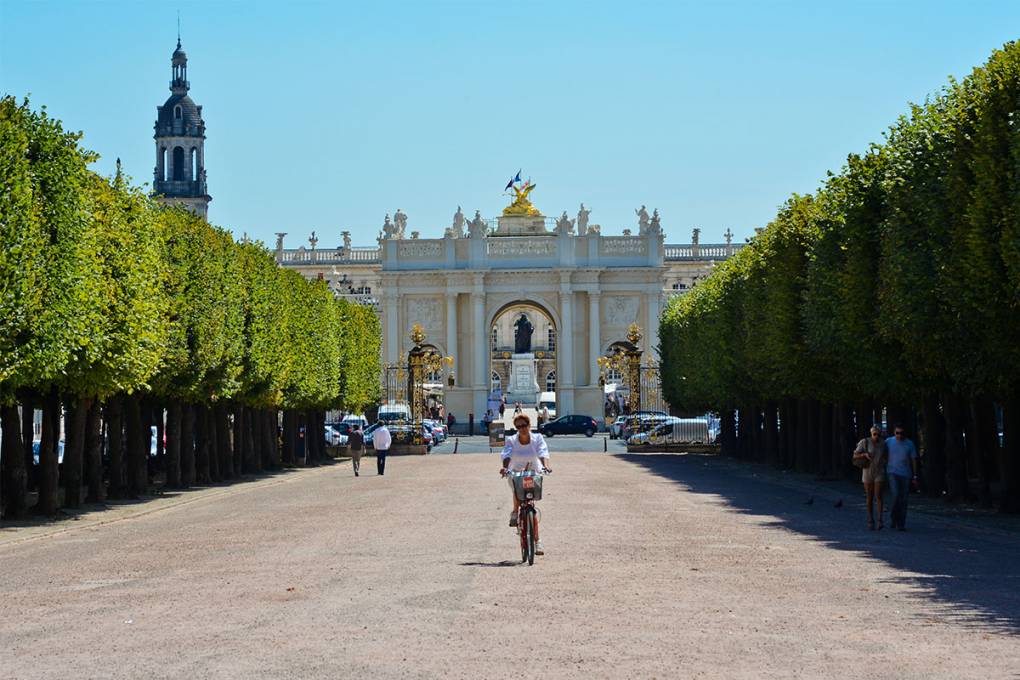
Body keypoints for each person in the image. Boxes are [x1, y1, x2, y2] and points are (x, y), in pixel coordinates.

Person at [499, 413, 551, 555]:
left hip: (533, 471)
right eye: (518, 426)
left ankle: (537, 542)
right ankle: (515, 512)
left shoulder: (537, 438)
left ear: (529, 425)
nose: (522, 428)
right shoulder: (511, 440)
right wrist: (505, 468)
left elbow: (543, 453)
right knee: (517, 489)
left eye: (524, 425)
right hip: (515, 471)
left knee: (530, 505)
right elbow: (506, 454)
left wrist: (546, 466)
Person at [853, 425, 888, 530]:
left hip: (879, 472)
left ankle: (880, 520)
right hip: (867, 471)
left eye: (878, 434)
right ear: (871, 433)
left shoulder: (883, 443)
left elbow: (886, 456)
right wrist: (864, 454)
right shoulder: (865, 442)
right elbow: (855, 455)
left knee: (879, 496)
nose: (876, 436)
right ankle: (870, 519)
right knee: (869, 497)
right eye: (874, 434)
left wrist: (884, 464)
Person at [885, 424, 919, 531]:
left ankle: (901, 523)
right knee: (895, 496)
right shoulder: (889, 441)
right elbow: (881, 451)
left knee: (904, 499)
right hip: (892, 473)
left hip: (905, 474)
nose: (899, 435)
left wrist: (915, 475)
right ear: (894, 433)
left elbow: (913, 460)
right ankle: (893, 517)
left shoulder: (909, 444)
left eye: (901, 433)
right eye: (897, 433)